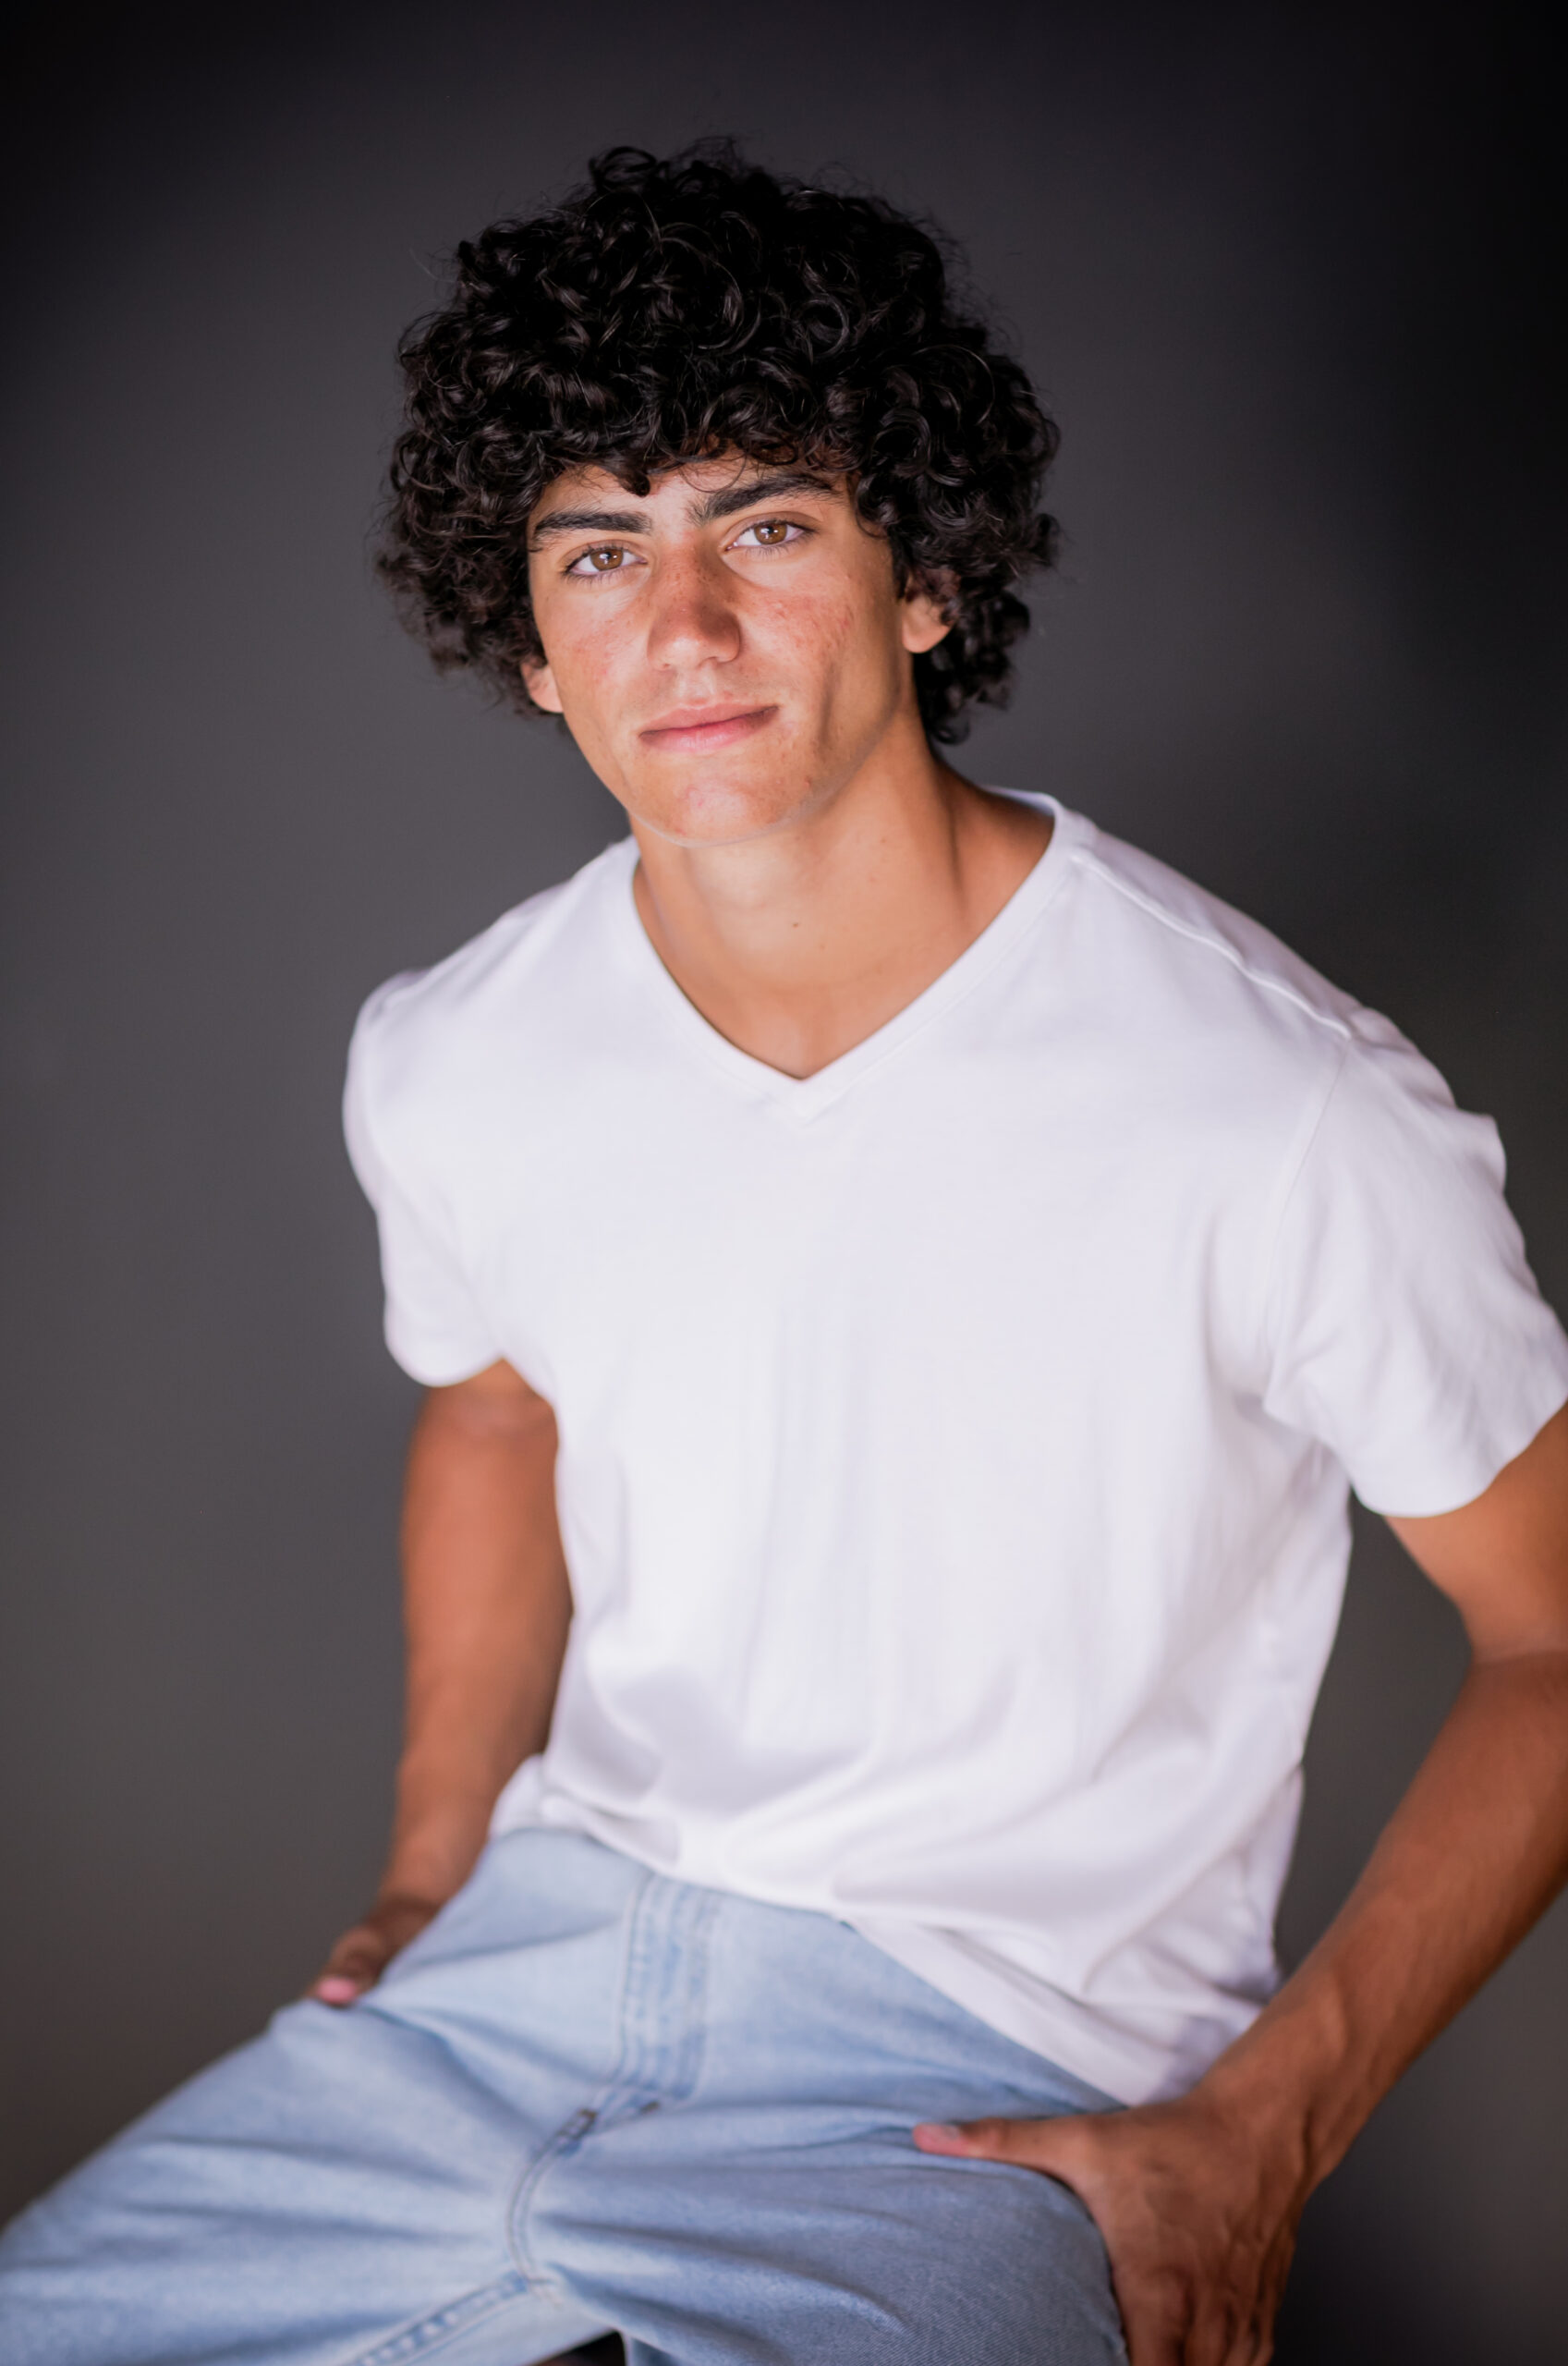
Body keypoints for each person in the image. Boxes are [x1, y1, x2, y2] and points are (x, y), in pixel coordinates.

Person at [3, 141, 1567, 2366]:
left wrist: (1265, 2130)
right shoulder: (458, 1048)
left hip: (979, 2069)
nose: (685, 628)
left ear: (925, 575)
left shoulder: (1277, 1101)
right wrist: (436, 1861)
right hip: (501, 1999)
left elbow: (1554, 1633)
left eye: (765, 526)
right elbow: (496, 1405)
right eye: (600, 551)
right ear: (530, 643)